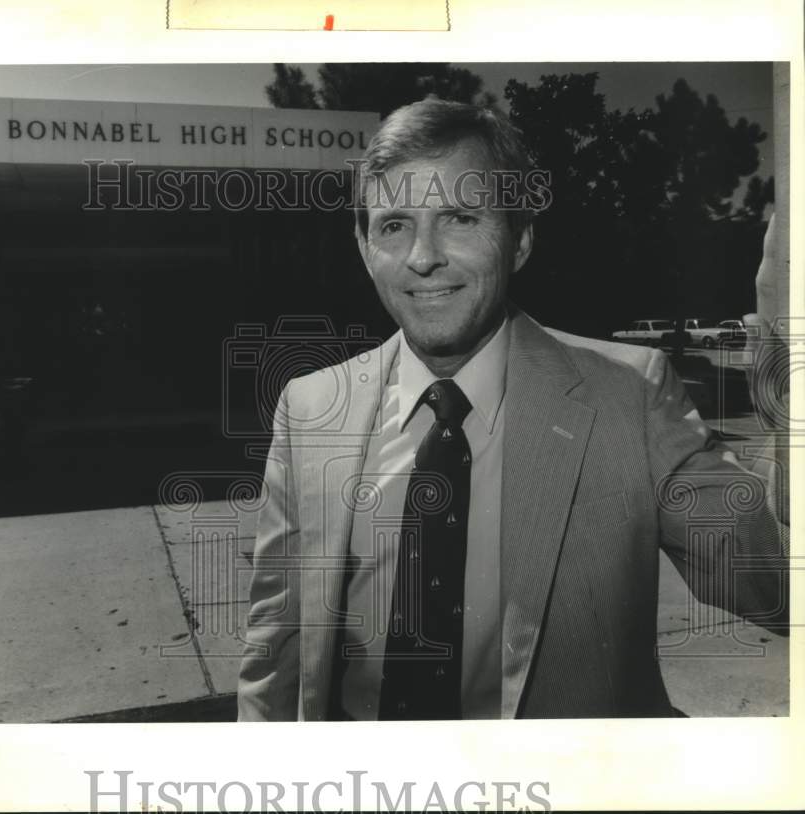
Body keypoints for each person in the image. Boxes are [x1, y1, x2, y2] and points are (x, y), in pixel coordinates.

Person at [237, 98, 789, 720]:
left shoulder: (630, 396)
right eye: (394, 225)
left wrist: (788, 398)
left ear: (520, 239)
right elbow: (275, 652)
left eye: (459, 219)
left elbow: (776, 588)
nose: (423, 257)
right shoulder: (308, 407)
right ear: (365, 247)